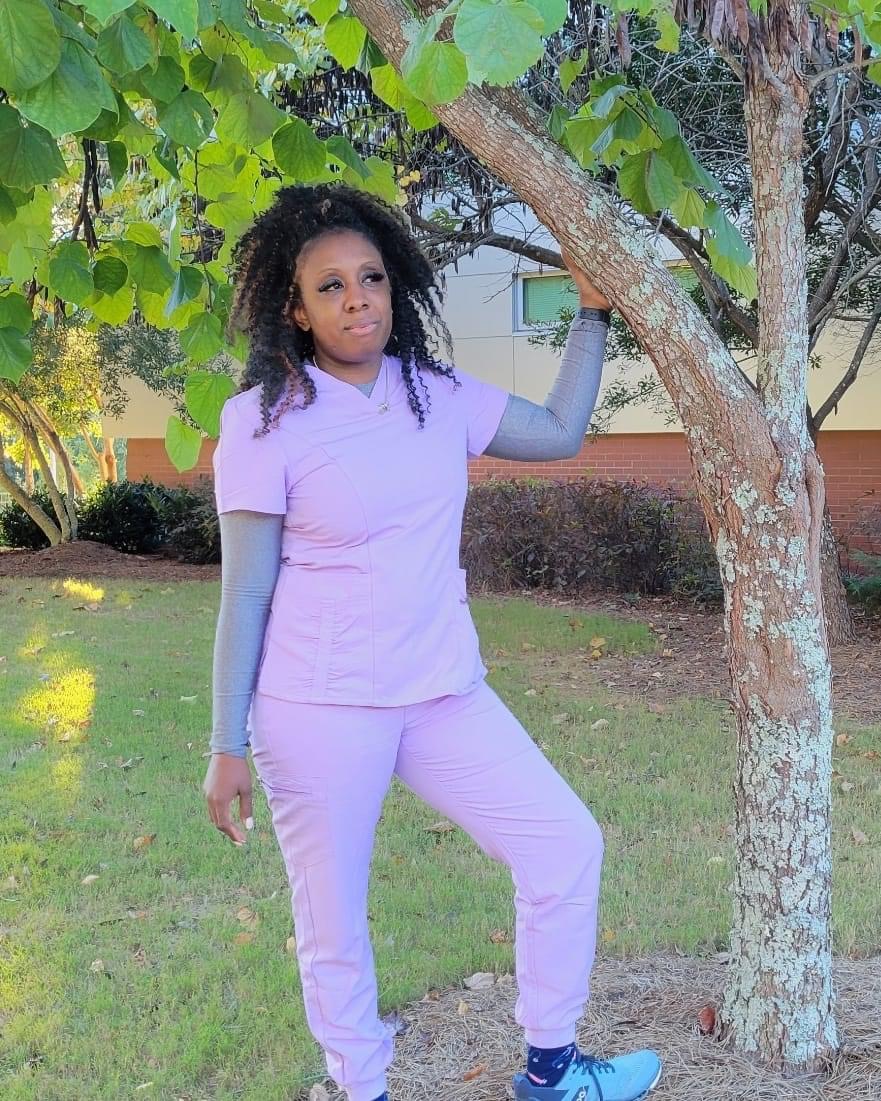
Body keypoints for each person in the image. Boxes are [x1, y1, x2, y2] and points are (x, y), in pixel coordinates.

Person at [202, 182, 662, 1101]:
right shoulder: (260, 421)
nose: (357, 299)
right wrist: (225, 743)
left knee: (564, 844)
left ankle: (550, 1072)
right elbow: (246, 590)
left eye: (370, 277)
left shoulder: (437, 395)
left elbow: (560, 433)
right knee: (334, 920)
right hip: (319, 707)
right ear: (295, 308)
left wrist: (591, 312)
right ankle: (362, 1087)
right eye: (330, 286)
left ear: (395, 287)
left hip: (442, 690)